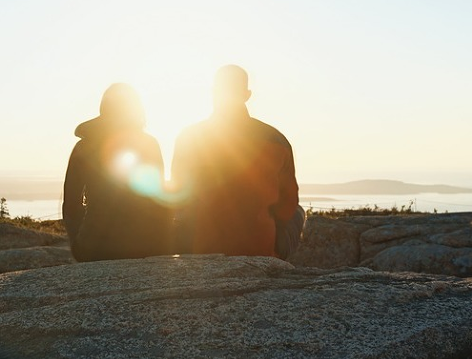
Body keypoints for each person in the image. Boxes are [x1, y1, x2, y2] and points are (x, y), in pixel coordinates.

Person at [171, 65, 305, 259]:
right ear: (247, 95)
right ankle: (275, 260)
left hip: (200, 247)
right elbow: (288, 204)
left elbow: (178, 197)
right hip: (258, 248)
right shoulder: (277, 140)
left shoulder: (189, 138)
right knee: (298, 212)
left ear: (213, 92)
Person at [62, 83, 171, 262]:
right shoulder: (149, 144)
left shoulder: (82, 147)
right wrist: (162, 249)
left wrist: (78, 242)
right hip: (144, 246)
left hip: (94, 248)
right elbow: (160, 203)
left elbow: (71, 206)